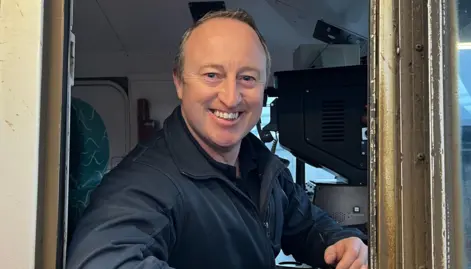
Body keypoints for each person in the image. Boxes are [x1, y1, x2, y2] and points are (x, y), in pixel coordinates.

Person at [66, 9, 368, 269]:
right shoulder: (144, 184)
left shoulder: (260, 164)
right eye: (212, 75)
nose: (230, 97)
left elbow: (305, 223)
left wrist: (340, 241)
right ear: (179, 82)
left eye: (247, 78)